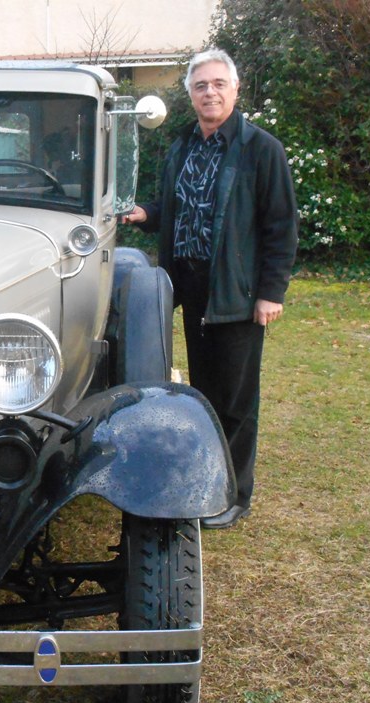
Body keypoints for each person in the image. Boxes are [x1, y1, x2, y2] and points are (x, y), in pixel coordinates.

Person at [122, 49, 298, 529]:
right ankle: (203, 483)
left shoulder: (261, 150)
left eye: (219, 84)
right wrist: (147, 214)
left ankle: (234, 495)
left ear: (235, 90)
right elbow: (180, 208)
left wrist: (271, 292)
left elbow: (281, 226)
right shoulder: (182, 146)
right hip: (191, 286)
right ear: (191, 94)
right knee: (203, 394)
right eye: (201, 85)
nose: (210, 92)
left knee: (237, 401)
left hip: (236, 292)